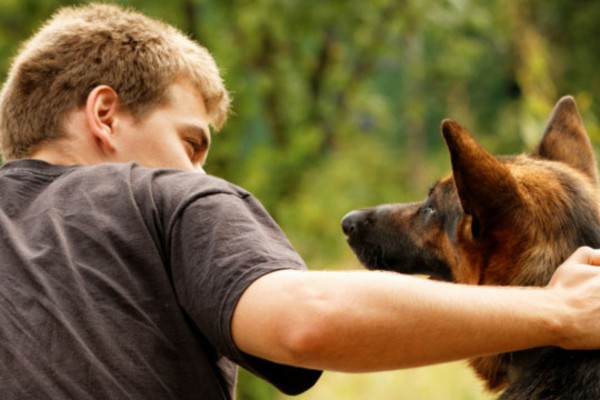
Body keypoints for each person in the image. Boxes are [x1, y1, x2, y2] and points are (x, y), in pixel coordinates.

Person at [2, 3, 600, 399]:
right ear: (104, 115)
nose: (195, 170)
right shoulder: (164, 197)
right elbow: (305, 320)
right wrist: (559, 313)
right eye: (191, 142)